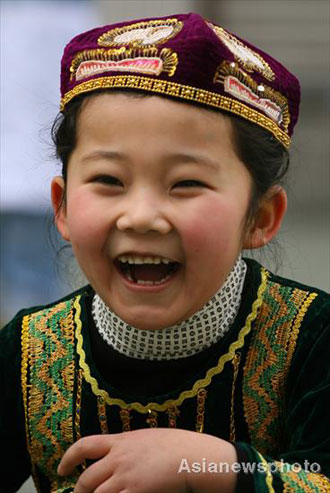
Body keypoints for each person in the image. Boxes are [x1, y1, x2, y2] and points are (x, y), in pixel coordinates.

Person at [0, 12, 329, 493]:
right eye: (109, 180)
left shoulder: (313, 337)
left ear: (260, 217)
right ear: (63, 206)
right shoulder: (28, 352)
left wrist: (210, 466)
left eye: (186, 184)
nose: (141, 217)